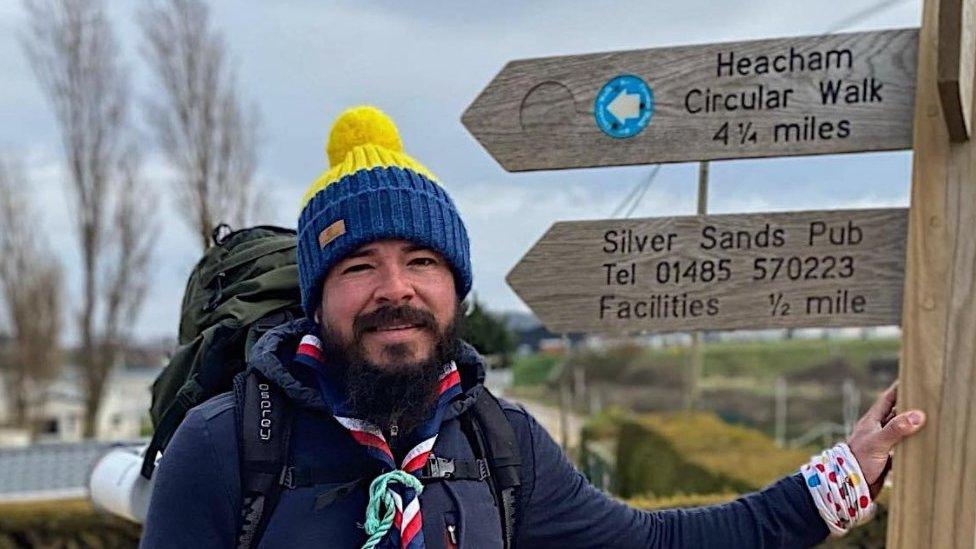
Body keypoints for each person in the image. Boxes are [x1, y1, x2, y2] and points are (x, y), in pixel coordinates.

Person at [140, 106, 926, 548]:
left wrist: (838, 479)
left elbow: (661, 547)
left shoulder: (501, 443)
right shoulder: (228, 446)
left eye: (421, 261)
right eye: (357, 266)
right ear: (317, 297)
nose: (394, 289)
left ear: (456, 288)